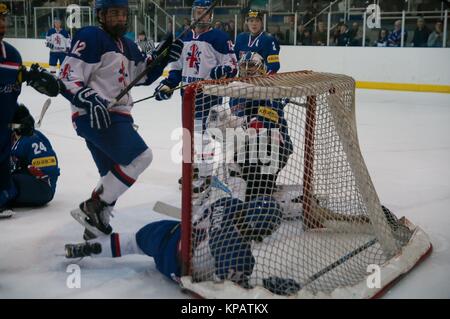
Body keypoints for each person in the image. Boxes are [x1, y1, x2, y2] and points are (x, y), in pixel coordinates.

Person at [58, 0, 183, 239]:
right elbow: (67, 76)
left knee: (111, 174)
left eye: (123, 14)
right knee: (140, 158)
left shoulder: (127, 44)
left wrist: (163, 57)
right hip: (96, 115)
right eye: (114, 13)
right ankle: (92, 208)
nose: (120, 18)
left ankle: (95, 227)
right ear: (101, 15)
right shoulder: (92, 36)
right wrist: (88, 98)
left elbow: (141, 75)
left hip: (115, 115)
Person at [65, 175, 284, 290]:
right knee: (210, 266)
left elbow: (225, 191)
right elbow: (229, 292)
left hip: (169, 232)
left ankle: (89, 249)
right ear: (261, 232)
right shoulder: (239, 255)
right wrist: (265, 289)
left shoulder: (228, 204)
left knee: (133, 241)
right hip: (176, 268)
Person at [153, 0, 237, 194]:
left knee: (203, 137)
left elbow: (232, 65)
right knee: (189, 136)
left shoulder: (219, 37)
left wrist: (221, 71)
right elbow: (176, 67)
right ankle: (194, 169)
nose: (201, 16)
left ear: (211, 16)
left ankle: (207, 176)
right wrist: (168, 84)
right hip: (188, 95)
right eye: (198, 12)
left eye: (205, 13)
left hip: (209, 95)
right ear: (192, 13)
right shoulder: (183, 36)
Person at [0, 3, 63, 218]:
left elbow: (7, 95)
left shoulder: (12, 55)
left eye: (3, 19)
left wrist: (18, 114)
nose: (2, 24)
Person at [206, 52, 293, 201]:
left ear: (261, 67)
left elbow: (267, 123)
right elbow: (238, 121)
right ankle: (237, 189)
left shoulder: (269, 90)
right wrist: (222, 124)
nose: (247, 69)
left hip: (272, 147)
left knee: (256, 192)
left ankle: (259, 193)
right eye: (244, 65)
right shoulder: (236, 90)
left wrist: (244, 124)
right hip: (247, 146)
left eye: (251, 65)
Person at [0, 104, 60, 210]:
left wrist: (23, 167)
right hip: (22, 186)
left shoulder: (33, 140)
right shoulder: (9, 138)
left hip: (42, 189)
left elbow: (48, 171)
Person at [234, 10, 280, 74]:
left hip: (261, 80)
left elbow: (274, 65)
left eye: (257, 21)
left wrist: (264, 79)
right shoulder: (240, 38)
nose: (254, 24)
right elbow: (234, 61)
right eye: (251, 21)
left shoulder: (269, 39)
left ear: (261, 23)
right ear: (247, 22)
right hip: (242, 79)